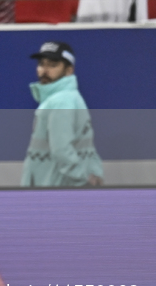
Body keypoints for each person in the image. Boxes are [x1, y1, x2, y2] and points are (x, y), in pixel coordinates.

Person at [21, 41, 104, 187]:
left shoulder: (61, 102)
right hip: (57, 187)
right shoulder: (68, 98)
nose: (44, 70)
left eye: (53, 65)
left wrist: (84, 178)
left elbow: (61, 150)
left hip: (54, 190)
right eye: (41, 64)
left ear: (69, 70)